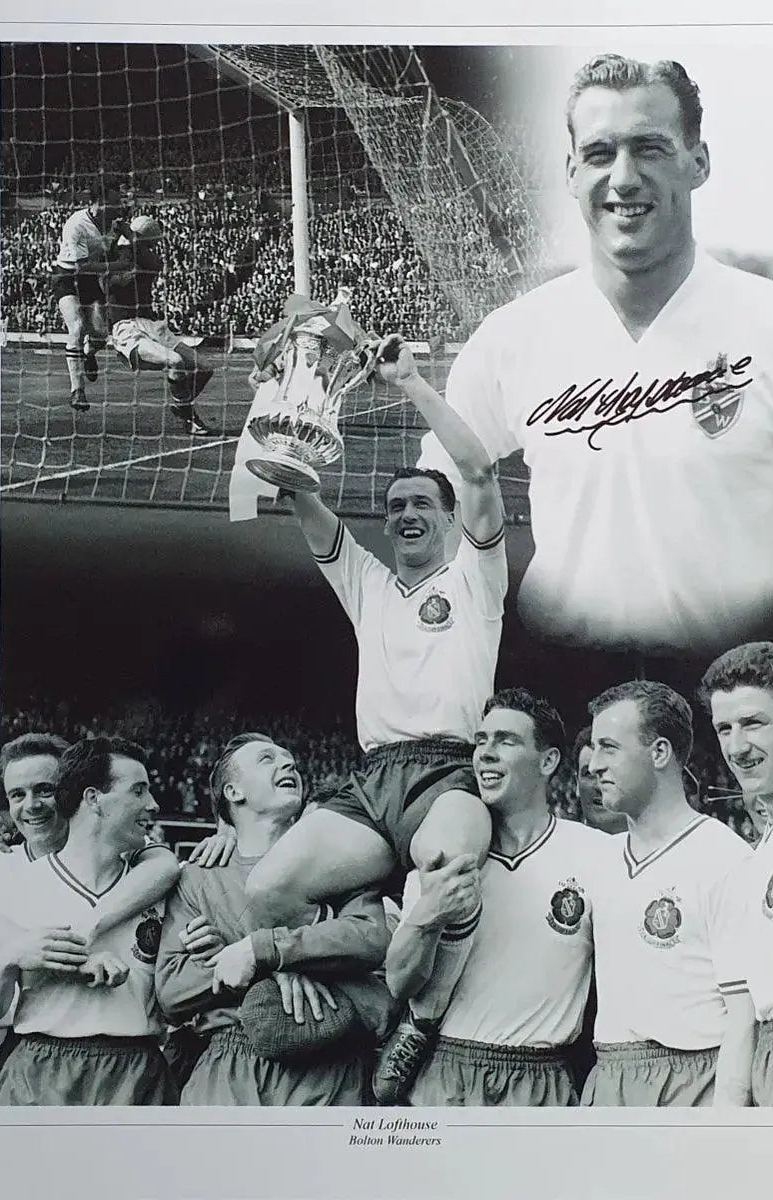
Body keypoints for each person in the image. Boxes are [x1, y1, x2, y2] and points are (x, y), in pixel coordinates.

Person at [418, 53, 773, 655]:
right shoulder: (514, 336)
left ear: (699, 162)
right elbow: (436, 492)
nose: (622, 178)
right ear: (570, 171)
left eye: (650, 148)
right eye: (599, 154)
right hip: (562, 693)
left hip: (730, 692)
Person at [238, 337, 507, 1084]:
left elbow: (481, 471)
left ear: (451, 521)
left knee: (450, 867)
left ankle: (418, 1021)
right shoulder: (367, 585)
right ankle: (320, 979)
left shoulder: (475, 581)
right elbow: (293, 487)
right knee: (267, 889)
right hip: (369, 783)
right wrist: (276, 393)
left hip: (447, 774)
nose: (406, 514)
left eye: (422, 502)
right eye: (394, 507)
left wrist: (413, 382)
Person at [384, 689, 603, 1105]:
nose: (485, 753)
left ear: (548, 761)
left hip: (543, 1077)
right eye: (481, 741)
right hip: (447, 1071)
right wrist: (427, 917)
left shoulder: (593, 854)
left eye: (505, 740)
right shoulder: (447, 853)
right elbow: (400, 983)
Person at [155, 732, 394, 1104]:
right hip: (230, 1063)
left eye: (291, 761)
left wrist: (256, 952)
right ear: (233, 792)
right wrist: (277, 967)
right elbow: (172, 990)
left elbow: (369, 937)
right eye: (267, 759)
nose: (288, 765)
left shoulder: (343, 863)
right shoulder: (198, 877)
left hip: (330, 1064)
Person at [581, 681, 754, 1106]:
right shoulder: (600, 860)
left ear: (659, 753)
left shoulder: (724, 857)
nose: (594, 766)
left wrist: (728, 1112)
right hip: (609, 1075)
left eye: (609, 748)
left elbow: (744, 1014)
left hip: (693, 1079)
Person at [0, 737, 179, 1105]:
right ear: (93, 798)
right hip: (40, 1067)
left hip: (138, 1069)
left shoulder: (165, 884)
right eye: (138, 790)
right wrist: (9, 958)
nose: (153, 804)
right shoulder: (11, 884)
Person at [699, 642, 773, 1106]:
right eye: (724, 729)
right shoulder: (761, 851)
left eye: (754, 723)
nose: (736, 747)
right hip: (771, 1061)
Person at [107, 215, 214, 436]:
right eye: (152, 242)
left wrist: (126, 231)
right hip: (126, 327)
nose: (155, 246)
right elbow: (112, 282)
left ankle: (181, 405)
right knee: (174, 361)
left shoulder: (148, 259)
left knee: (204, 368)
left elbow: (150, 263)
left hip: (152, 325)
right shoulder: (114, 257)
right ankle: (189, 418)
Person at [50, 180, 129, 412]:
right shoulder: (77, 224)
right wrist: (119, 266)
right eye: (115, 202)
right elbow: (82, 266)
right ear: (99, 203)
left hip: (89, 280)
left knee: (100, 333)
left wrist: (130, 236)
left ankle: (88, 352)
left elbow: (119, 250)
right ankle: (77, 391)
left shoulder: (113, 225)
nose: (120, 207)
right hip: (67, 276)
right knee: (76, 327)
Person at [572, 725, 628, 835]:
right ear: (576, 784)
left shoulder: (661, 846)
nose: (599, 786)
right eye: (589, 774)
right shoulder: (559, 849)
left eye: (610, 773)